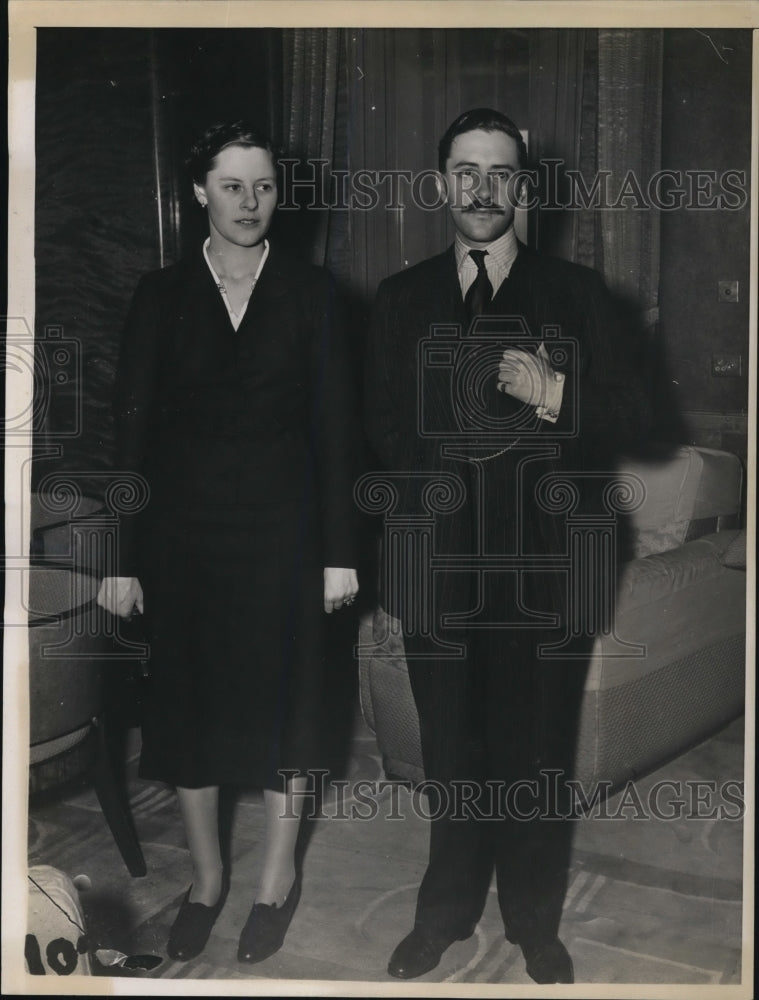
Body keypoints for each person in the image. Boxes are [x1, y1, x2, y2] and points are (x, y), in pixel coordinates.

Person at [364, 108, 651, 984]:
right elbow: (373, 436)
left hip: (543, 573)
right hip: (437, 572)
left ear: (523, 188)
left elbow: (641, 422)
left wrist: (556, 391)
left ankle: (534, 921)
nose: (481, 189)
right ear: (440, 183)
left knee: (533, 756)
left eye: (499, 173)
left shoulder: (576, 295)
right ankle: (445, 913)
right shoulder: (399, 298)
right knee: (451, 754)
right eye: (464, 171)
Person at [97, 121, 359, 964]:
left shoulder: (316, 294)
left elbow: (338, 433)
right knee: (191, 714)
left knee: (292, 714)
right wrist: (123, 559)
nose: (251, 203)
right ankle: (206, 881)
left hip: (287, 543)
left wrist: (339, 552)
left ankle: (276, 879)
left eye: (266, 187)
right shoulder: (159, 295)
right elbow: (128, 437)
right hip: (184, 547)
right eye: (234, 186)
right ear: (199, 193)